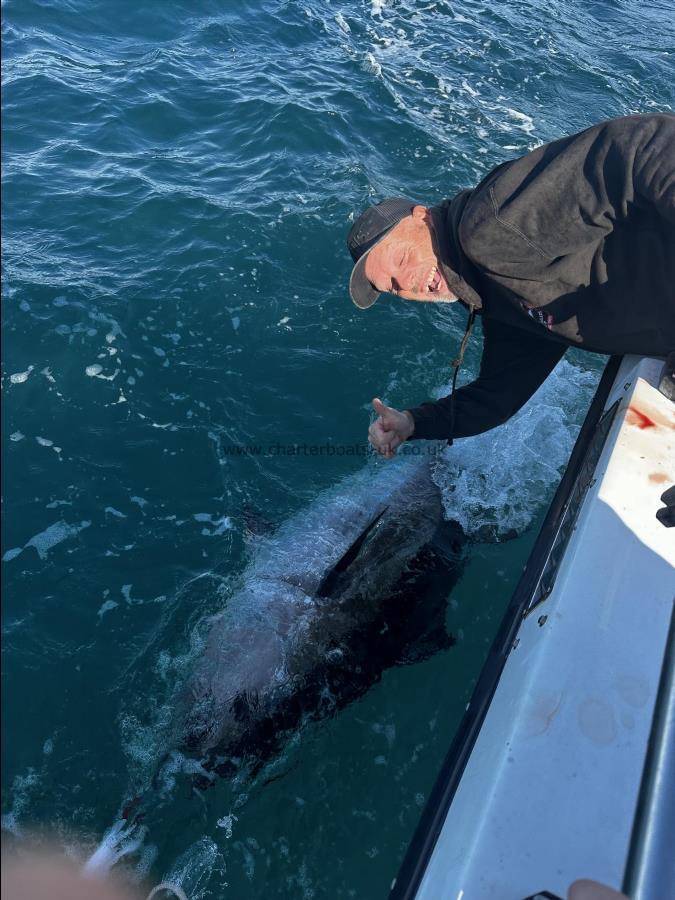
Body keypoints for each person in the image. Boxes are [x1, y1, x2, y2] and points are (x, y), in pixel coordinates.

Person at [346, 113, 675, 458]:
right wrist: (414, 423)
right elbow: (496, 399)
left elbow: (637, 144)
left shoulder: (490, 229)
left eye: (400, 260)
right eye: (395, 288)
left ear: (420, 215)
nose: (410, 283)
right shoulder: (498, 297)